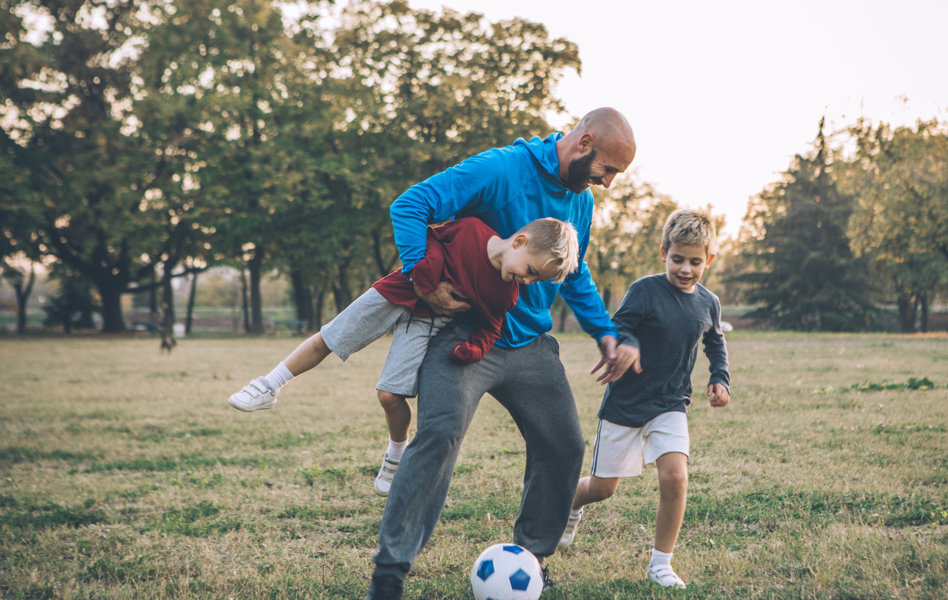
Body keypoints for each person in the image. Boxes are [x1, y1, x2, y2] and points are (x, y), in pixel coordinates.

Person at [364, 108, 637, 600]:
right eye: (608, 169)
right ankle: (389, 574)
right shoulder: (501, 169)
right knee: (440, 433)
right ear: (585, 142)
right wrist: (425, 282)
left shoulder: (581, 201)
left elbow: (574, 274)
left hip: (530, 343)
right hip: (464, 333)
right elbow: (412, 203)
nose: (610, 183)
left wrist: (604, 332)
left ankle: (530, 560)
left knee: (563, 445)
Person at [227, 217, 580, 498]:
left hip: (428, 320)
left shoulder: (505, 292)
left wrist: (472, 348)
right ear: (519, 242)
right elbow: (428, 235)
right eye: (532, 271)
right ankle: (269, 386)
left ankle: (396, 452)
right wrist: (428, 272)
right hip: (398, 289)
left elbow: (491, 326)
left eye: (537, 280)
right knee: (330, 337)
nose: (529, 281)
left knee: (389, 395)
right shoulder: (471, 228)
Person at [558, 208, 731, 590]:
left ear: (709, 260)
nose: (686, 268)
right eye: (678, 259)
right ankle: (569, 507)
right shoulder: (645, 290)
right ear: (664, 252)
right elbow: (621, 327)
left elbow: (715, 343)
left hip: (671, 403)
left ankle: (660, 564)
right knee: (603, 488)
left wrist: (720, 377)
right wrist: (630, 346)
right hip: (625, 404)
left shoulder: (708, 302)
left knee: (675, 476)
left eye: (695, 261)